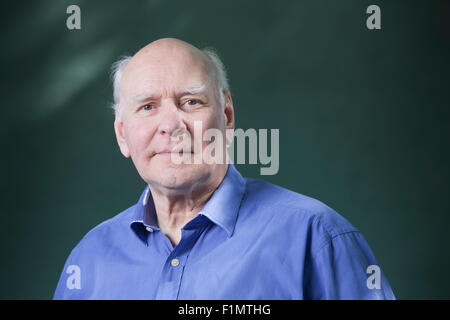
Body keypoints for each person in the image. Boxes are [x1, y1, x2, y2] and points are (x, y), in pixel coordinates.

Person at [53, 38, 395, 299]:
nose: (171, 126)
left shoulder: (317, 238)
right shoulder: (89, 259)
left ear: (227, 117)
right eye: (147, 107)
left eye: (191, 102)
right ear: (122, 135)